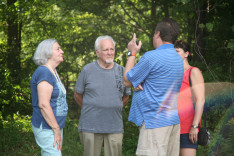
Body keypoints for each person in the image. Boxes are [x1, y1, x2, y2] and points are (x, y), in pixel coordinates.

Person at [123, 18, 184, 156]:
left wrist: (132, 53)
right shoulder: (177, 58)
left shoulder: (151, 57)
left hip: (154, 123)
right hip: (172, 121)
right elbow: (158, 81)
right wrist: (139, 82)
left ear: (157, 34)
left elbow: (127, 80)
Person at [74, 35, 131, 156]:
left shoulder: (122, 71)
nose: (110, 53)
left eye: (112, 49)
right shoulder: (87, 70)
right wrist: (91, 108)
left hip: (114, 126)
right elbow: (77, 95)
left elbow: (126, 96)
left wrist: (113, 107)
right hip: (90, 126)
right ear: (97, 53)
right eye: (106, 50)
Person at [30, 39, 68, 156]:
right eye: (58, 49)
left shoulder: (53, 71)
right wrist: (55, 128)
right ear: (47, 53)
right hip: (47, 127)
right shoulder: (44, 72)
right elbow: (43, 104)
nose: (62, 51)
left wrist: (57, 128)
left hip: (53, 126)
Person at [174, 40, 205, 156]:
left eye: (177, 51)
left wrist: (194, 126)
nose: (174, 54)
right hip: (170, 126)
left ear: (186, 54)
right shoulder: (171, 73)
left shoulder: (193, 72)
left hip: (187, 128)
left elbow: (200, 100)